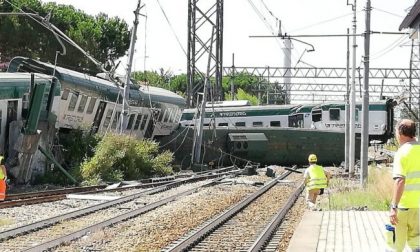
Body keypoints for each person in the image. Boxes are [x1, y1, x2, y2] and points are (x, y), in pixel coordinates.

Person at [389, 119, 420, 251]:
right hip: (418, 207)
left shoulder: (402, 153)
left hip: (403, 207)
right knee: (416, 244)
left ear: (400, 132)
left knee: (395, 245)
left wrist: (393, 207)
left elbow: (400, 181)